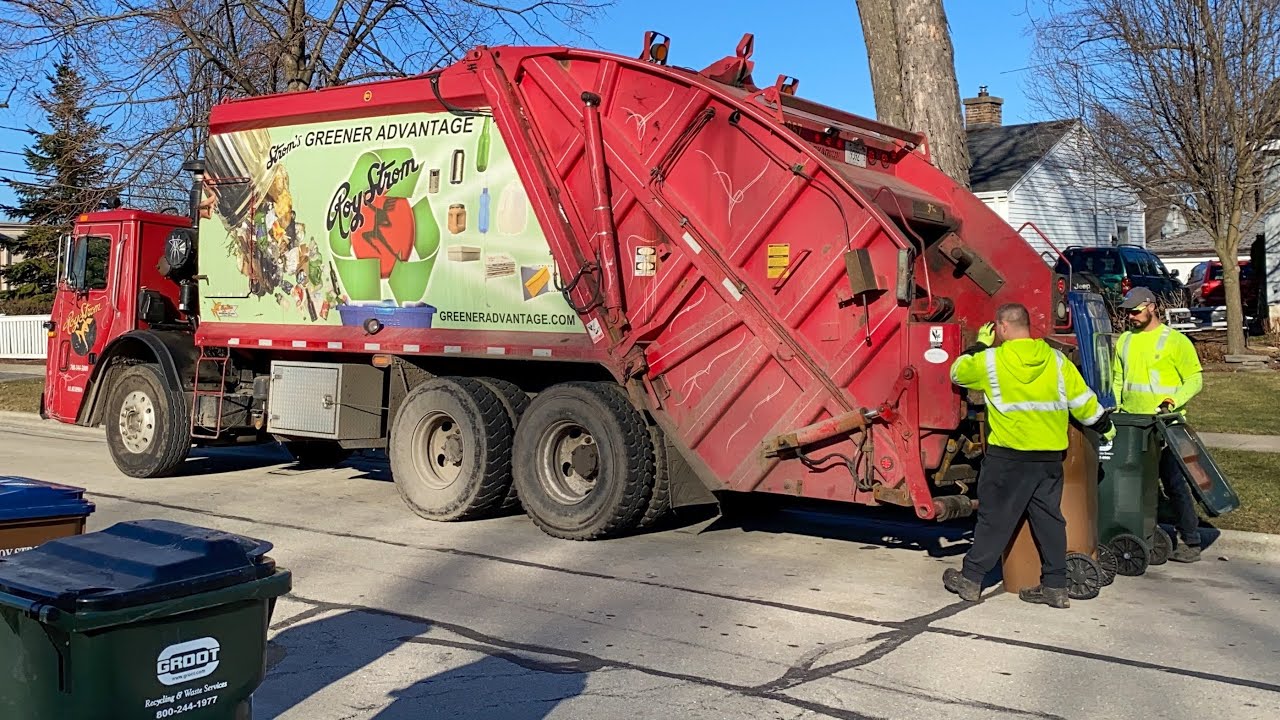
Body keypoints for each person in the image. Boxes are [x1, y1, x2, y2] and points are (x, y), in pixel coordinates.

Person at [943, 303, 1115, 608]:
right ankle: (1055, 586)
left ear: (1002, 328)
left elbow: (957, 372)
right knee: (1050, 521)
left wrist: (980, 344)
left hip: (1008, 456)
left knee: (994, 519)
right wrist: (1105, 426)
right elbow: (1082, 402)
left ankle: (970, 580)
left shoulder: (991, 360)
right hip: (1049, 458)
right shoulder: (1057, 360)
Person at [1111, 287, 1205, 563]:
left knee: (1174, 483)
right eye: (1128, 311)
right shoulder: (1125, 341)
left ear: (1151, 307)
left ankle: (1190, 540)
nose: (1131, 316)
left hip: (1165, 425)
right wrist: (1116, 409)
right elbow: (1119, 380)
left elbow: (1195, 380)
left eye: (1136, 310)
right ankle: (1140, 533)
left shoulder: (1175, 342)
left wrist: (1172, 401)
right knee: (1134, 485)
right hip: (1132, 425)